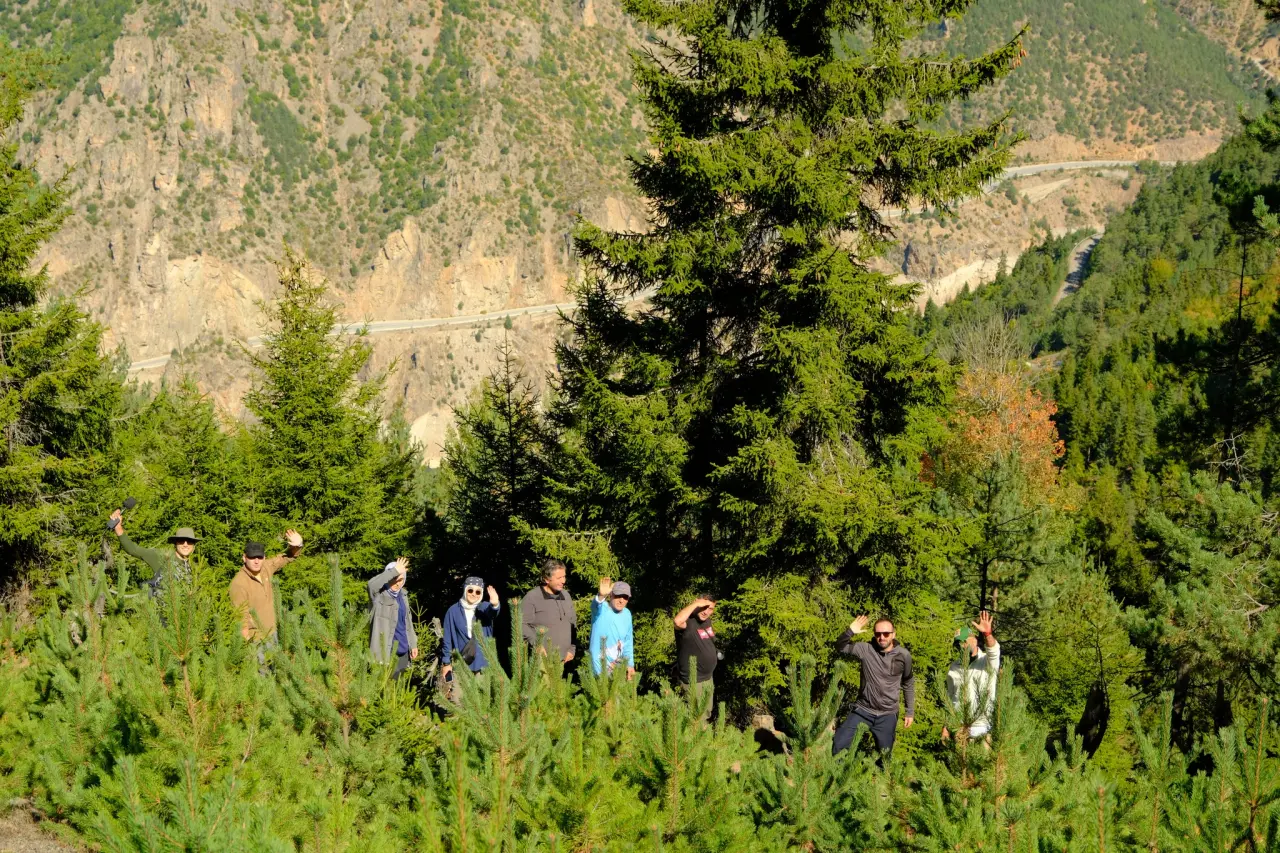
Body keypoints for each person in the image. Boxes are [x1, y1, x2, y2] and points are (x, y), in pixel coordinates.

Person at [832, 614, 915, 757]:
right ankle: (840, 777)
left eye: (886, 633)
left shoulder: (903, 656)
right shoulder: (866, 649)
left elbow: (908, 682)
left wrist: (910, 711)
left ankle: (878, 779)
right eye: (878, 634)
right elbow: (840, 647)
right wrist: (850, 631)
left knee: (884, 757)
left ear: (893, 634)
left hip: (887, 714)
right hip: (863, 710)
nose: (882, 637)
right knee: (839, 744)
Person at [227, 531, 305, 646]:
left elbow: (287, 557)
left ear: (264, 557)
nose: (256, 561)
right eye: (252, 557)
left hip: (274, 633)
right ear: (244, 558)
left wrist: (298, 545)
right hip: (256, 639)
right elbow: (240, 618)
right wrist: (248, 644)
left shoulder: (266, 568)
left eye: (259, 557)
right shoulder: (239, 584)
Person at [108, 511, 199, 597]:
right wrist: (118, 527)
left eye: (190, 541)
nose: (185, 544)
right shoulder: (163, 557)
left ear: (194, 544)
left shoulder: (197, 567)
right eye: (181, 541)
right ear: (175, 543)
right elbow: (133, 549)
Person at [943, 611, 1001, 743]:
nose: (962, 645)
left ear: (975, 639)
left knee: (984, 763)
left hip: (983, 728)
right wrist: (946, 727)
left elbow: (993, 650)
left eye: (965, 641)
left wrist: (987, 634)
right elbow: (950, 698)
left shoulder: (987, 662)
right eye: (958, 643)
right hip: (959, 728)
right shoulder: (954, 668)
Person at [441, 577, 501, 684]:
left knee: (482, 699)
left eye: (478, 592)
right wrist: (446, 663)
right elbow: (447, 639)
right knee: (457, 699)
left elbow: (493, 612)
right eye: (470, 590)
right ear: (465, 590)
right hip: (461, 664)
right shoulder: (453, 611)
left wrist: (495, 604)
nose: (474, 594)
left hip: (483, 665)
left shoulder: (484, 608)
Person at [368, 557, 419, 678]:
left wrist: (413, 644)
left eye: (401, 579)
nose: (397, 582)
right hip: (384, 653)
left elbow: (407, 622)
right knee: (384, 690)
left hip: (402, 652)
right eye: (394, 578)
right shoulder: (378, 595)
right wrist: (394, 571)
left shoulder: (403, 595)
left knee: (398, 691)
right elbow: (371, 585)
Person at [521, 558, 576, 665]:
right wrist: (537, 644)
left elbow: (573, 623)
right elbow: (521, 624)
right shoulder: (532, 597)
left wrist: (572, 649)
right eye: (559, 578)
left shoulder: (566, 595)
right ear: (547, 579)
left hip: (563, 660)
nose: (563, 581)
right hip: (542, 660)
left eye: (564, 576)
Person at [673, 595, 718, 720]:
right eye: (704, 607)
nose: (706, 611)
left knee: (706, 713)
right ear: (696, 603)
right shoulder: (688, 620)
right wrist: (696, 605)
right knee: (696, 719)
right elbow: (677, 621)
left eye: (710, 609)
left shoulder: (706, 621)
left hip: (708, 677)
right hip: (693, 679)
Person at [588, 576, 634, 678]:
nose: (621, 600)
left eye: (625, 597)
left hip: (617, 671)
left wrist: (630, 664)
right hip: (598, 671)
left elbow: (628, 642)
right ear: (611, 595)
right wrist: (601, 595)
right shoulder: (602, 609)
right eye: (618, 596)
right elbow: (595, 606)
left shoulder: (627, 614)